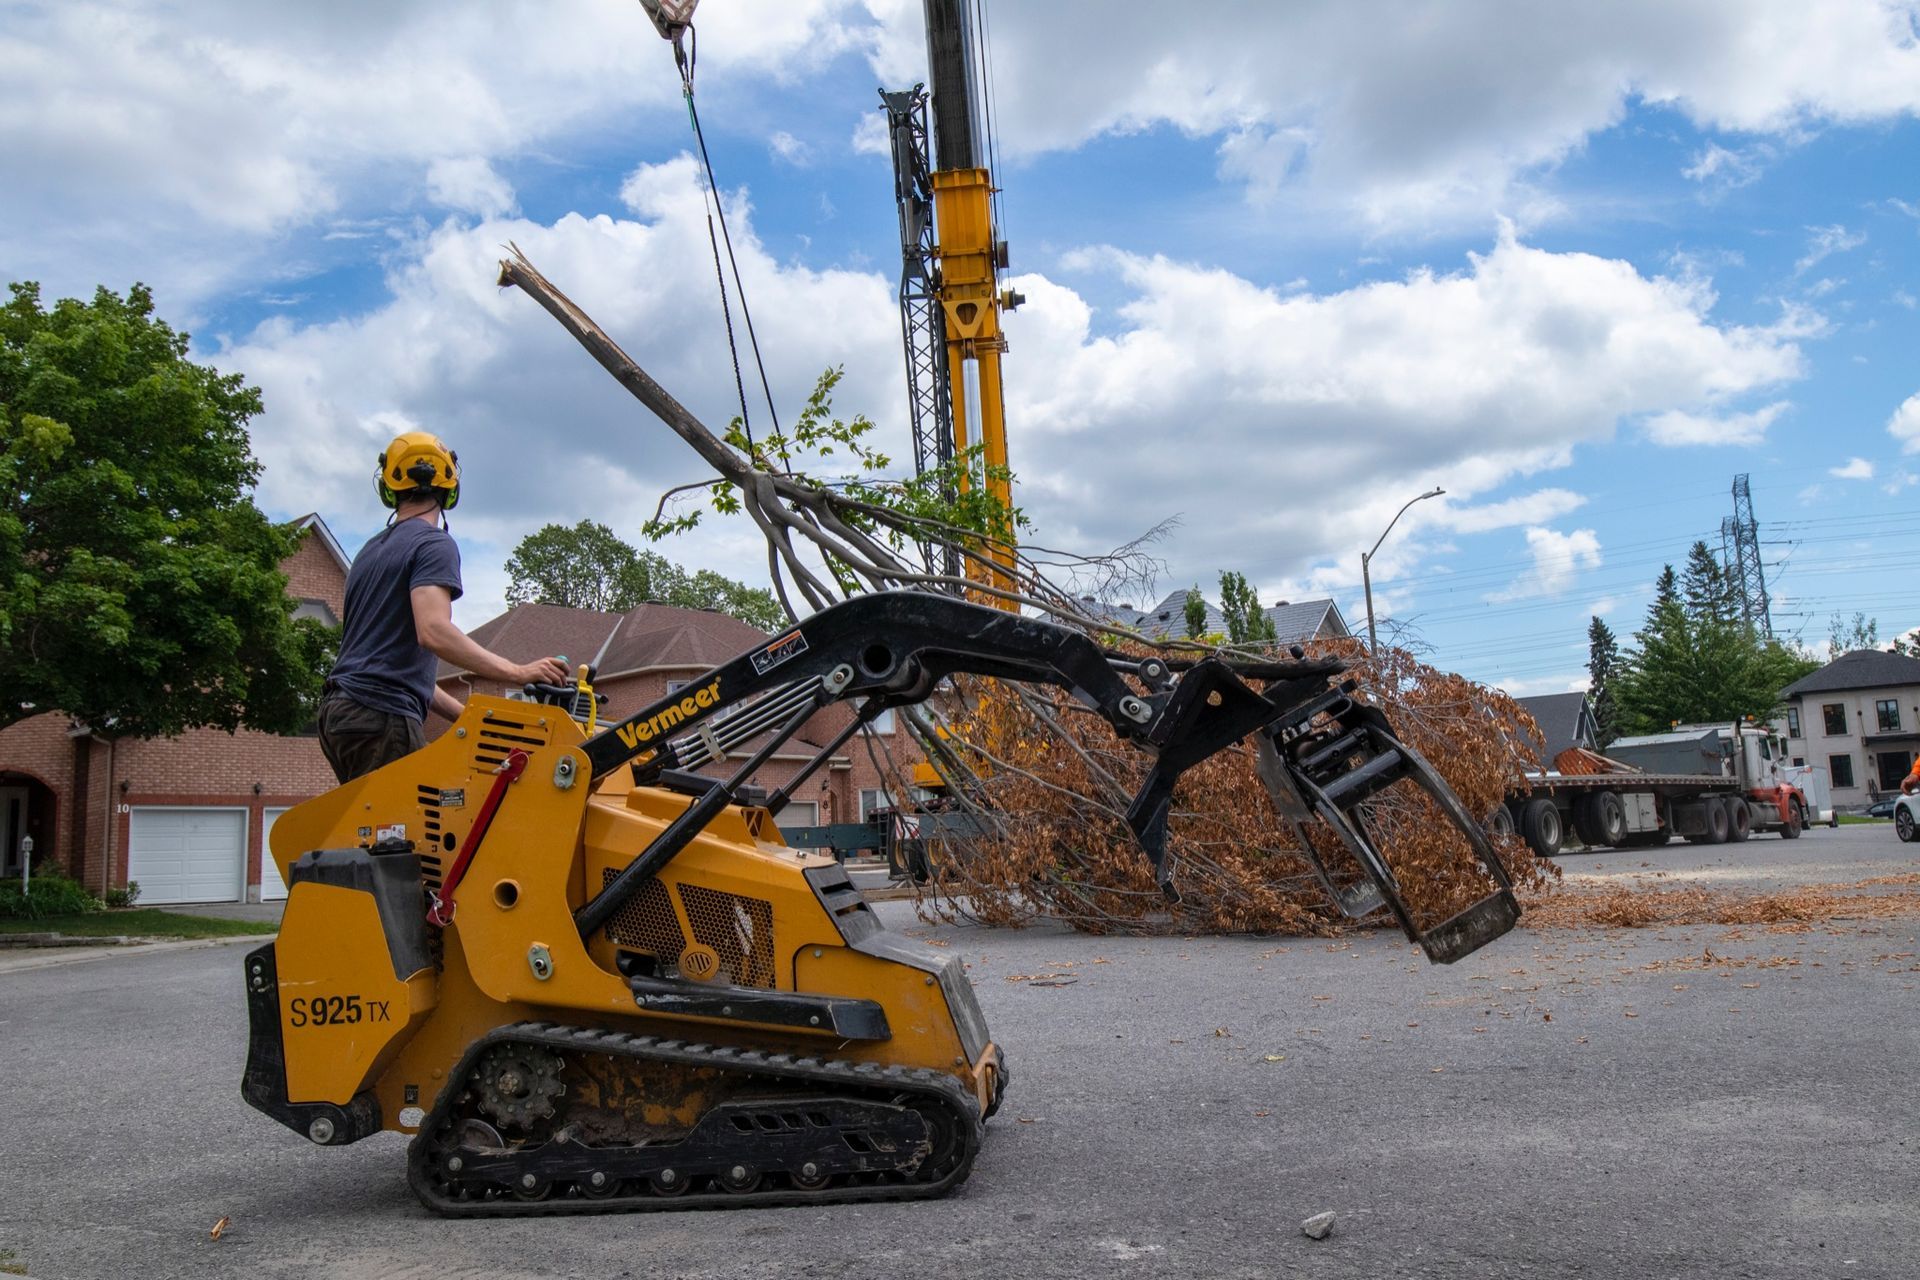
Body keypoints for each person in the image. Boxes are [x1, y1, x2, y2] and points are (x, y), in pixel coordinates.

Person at [318, 431, 568, 783]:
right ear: (449, 487)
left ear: (389, 486)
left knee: (372, 832)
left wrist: (471, 717)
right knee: (418, 826)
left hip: (340, 714)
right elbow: (433, 630)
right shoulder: (434, 544)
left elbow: (396, 671)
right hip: (381, 715)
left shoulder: (369, 553)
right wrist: (518, 672)